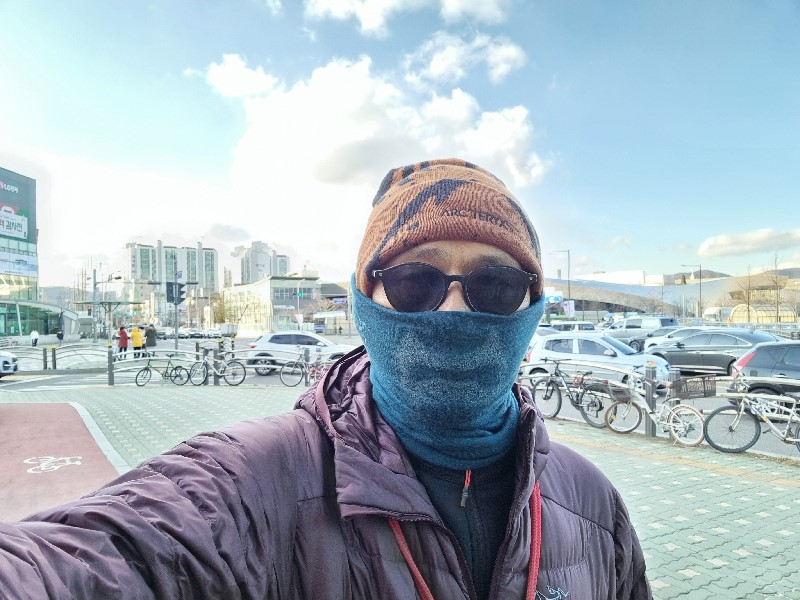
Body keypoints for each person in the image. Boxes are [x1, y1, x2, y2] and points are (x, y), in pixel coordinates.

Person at [0, 159, 650, 599]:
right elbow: (104, 556)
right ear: (366, 299)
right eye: (415, 280)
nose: (454, 310)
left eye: (496, 284)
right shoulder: (258, 481)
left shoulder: (592, 503)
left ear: (531, 306)